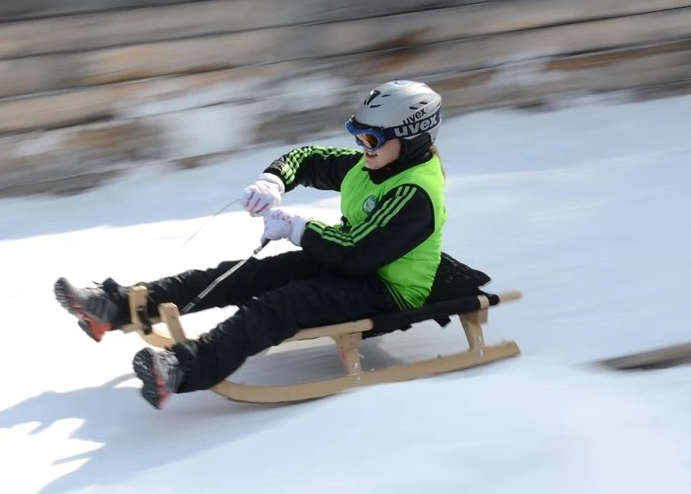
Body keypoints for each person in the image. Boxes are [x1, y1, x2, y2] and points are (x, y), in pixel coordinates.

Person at [56, 79, 466, 409]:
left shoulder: (416, 193)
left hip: (387, 290)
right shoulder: (374, 164)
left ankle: (184, 368)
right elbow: (308, 158)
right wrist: (275, 180)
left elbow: (359, 254)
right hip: (350, 266)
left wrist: (298, 228)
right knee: (248, 275)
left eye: (372, 140)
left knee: (283, 304)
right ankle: (119, 305)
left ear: (411, 137)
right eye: (358, 136)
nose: (362, 148)